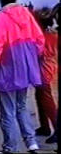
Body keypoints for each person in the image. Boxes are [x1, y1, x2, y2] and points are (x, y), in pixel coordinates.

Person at [0, 0, 45, 154]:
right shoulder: (27, 15)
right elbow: (40, 41)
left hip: (8, 67)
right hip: (26, 67)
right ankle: (31, 142)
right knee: (21, 106)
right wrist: (30, 57)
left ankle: (10, 147)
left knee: (8, 110)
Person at [34, 9, 58, 144]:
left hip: (44, 71)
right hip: (46, 70)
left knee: (46, 100)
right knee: (40, 97)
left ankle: (55, 128)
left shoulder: (43, 37)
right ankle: (44, 126)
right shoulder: (51, 35)